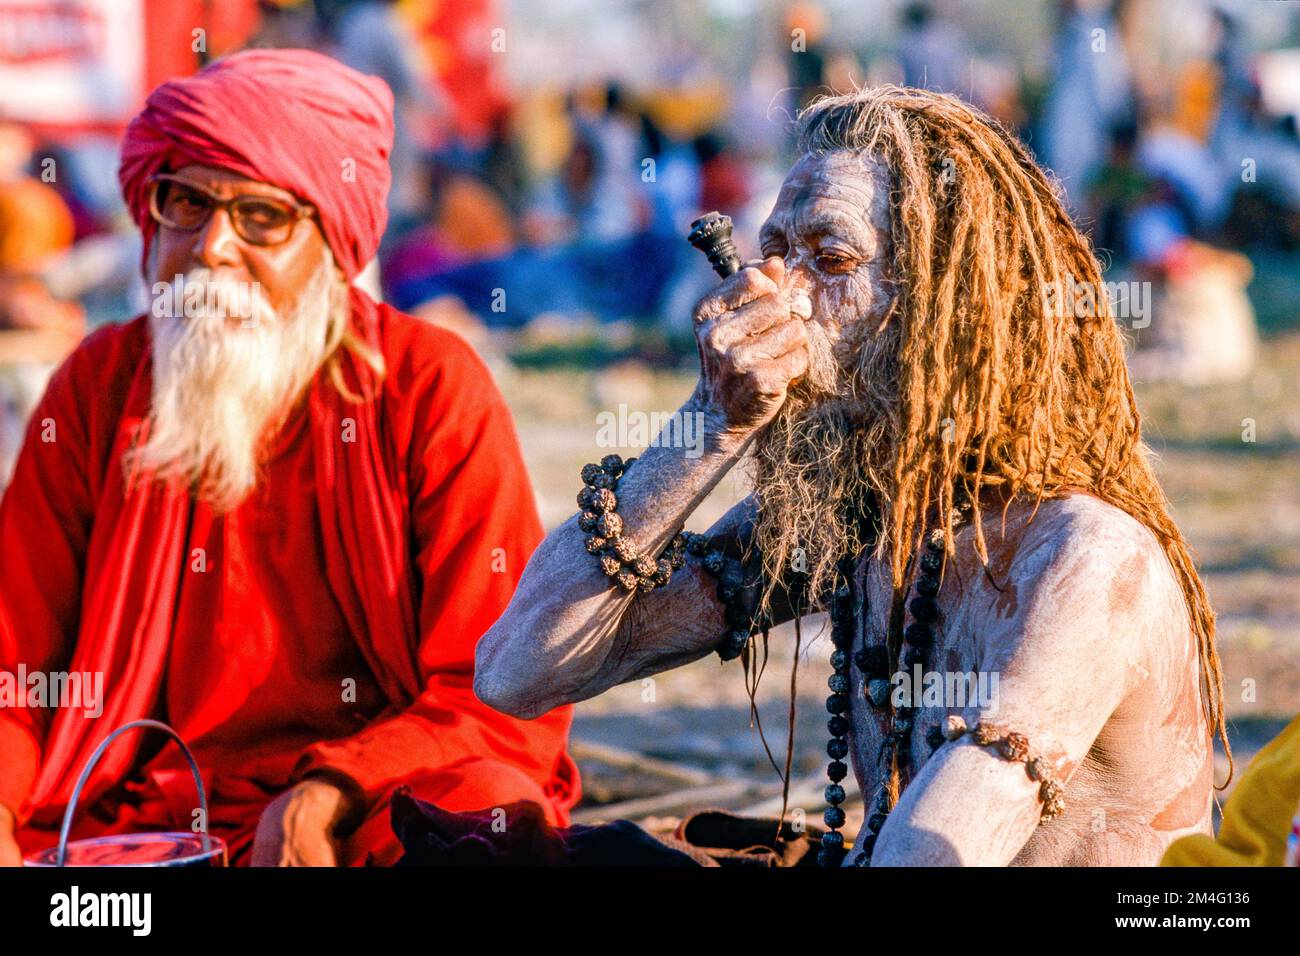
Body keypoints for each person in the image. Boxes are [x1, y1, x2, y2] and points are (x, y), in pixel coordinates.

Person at [475, 86, 1227, 866]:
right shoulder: (857, 521)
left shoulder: (1086, 561)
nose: (777, 298)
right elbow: (514, 674)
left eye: (831, 261)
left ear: (950, 302)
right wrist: (709, 422)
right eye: (773, 255)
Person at [0, 48, 577, 868]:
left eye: (261, 217)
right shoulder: (97, 388)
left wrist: (331, 789)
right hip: (133, 820)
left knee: (485, 812)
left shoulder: (429, 386)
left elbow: (505, 683)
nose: (211, 248)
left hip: (362, 808)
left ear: (331, 244)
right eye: (186, 204)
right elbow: (14, 666)